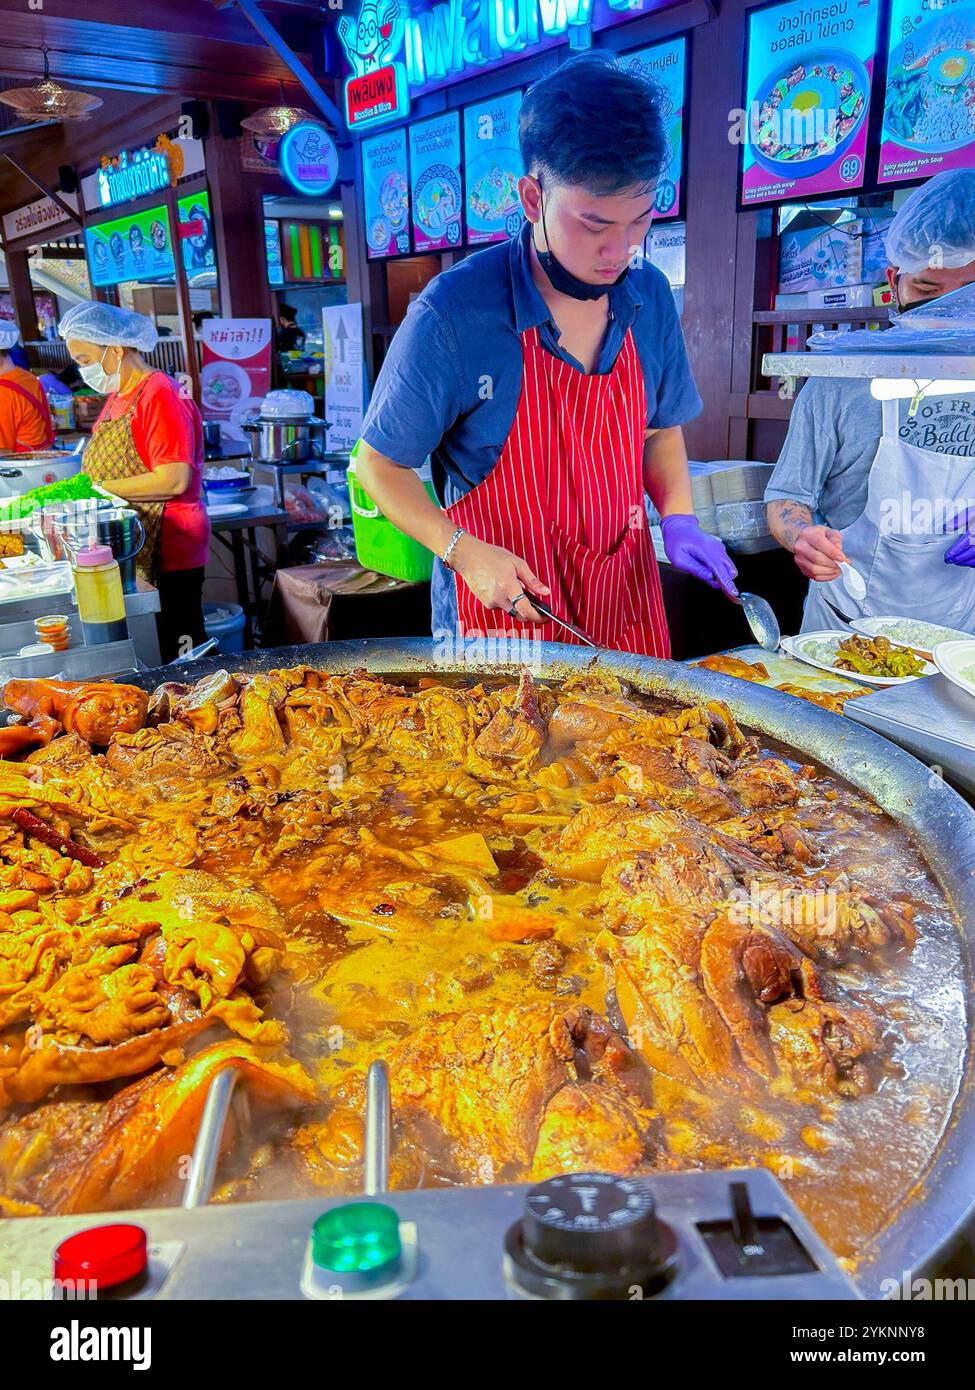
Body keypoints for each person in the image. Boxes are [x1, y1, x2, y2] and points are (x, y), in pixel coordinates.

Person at [355, 54, 736, 654]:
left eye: (640, 219)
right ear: (532, 197)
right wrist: (463, 551)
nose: (620, 249)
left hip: (622, 608)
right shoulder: (454, 313)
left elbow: (659, 432)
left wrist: (680, 518)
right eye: (593, 224)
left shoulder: (649, 296)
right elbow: (376, 467)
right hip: (503, 618)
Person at [766, 169, 975, 631]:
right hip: (844, 626)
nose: (947, 316)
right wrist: (802, 537)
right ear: (894, 280)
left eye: (968, 296)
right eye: (927, 291)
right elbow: (786, 497)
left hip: (959, 636)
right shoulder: (842, 378)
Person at [58, 301, 211, 662]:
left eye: (84, 360)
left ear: (114, 348)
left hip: (171, 541)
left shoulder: (160, 393)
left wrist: (97, 490)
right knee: (153, 643)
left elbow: (174, 478)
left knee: (181, 646)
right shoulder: (118, 397)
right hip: (138, 539)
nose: (84, 372)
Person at [0, 321, 54, 453]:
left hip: (20, 468)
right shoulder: (26, 377)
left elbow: (3, 452)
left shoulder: (3, 393)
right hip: (40, 459)